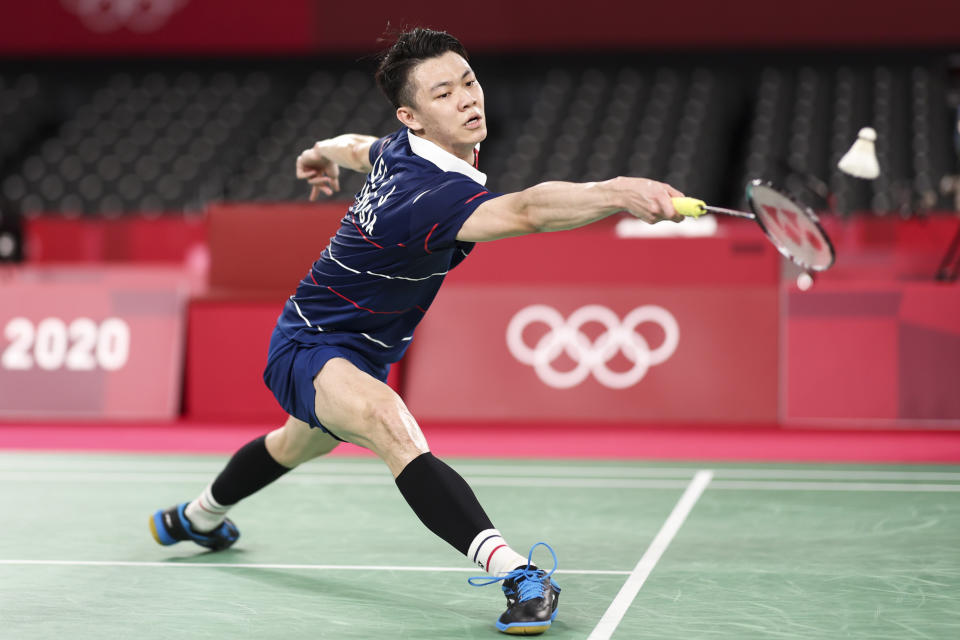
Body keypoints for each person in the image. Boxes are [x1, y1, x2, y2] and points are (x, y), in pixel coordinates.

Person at [149, 27, 684, 635]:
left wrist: (322, 150)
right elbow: (529, 210)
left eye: (470, 82)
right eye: (444, 93)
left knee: (294, 444)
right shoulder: (426, 195)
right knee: (387, 422)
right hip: (309, 343)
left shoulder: (404, 149)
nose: (467, 100)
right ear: (414, 116)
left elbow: (360, 148)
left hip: (358, 348)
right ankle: (517, 574)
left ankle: (198, 516)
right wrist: (616, 192)